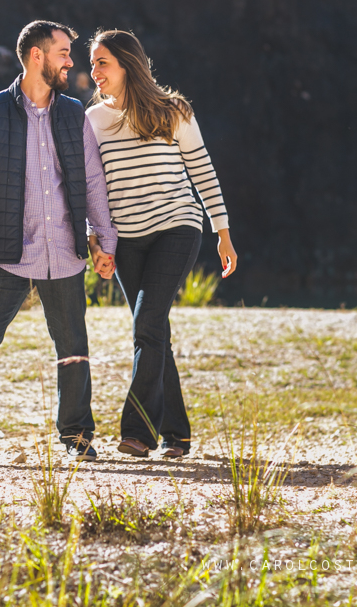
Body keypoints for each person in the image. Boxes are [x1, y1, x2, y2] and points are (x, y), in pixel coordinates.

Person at [0, 20, 118, 464]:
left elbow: (93, 182)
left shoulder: (73, 113)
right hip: (7, 251)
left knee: (72, 345)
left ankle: (76, 435)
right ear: (37, 55)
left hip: (65, 250)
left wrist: (103, 240)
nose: (70, 62)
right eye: (62, 53)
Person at [85, 29, 237, 459]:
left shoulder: (174, 111)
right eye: (93, 63)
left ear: (127, 65)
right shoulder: (93, 121)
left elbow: (203, 172)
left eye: (102, 63)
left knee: (146, 326)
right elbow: (88, 189)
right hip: (126, 238)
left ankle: (137, 432)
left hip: (177, 226)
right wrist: (96, 242)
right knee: (154, 332)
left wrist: (222, 233)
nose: (94, 72)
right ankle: (178, 434)